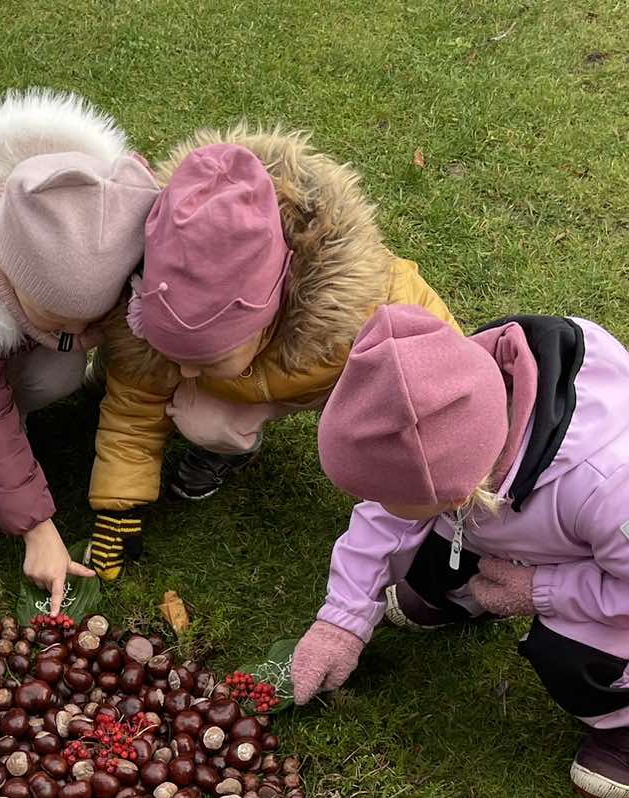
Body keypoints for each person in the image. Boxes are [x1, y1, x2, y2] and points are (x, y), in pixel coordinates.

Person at [295, 307, 629, 798]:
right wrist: (342, 619)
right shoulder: (449, 428)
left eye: (392, 496)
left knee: (573, 655)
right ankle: (460, 597)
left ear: (459, 484)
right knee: (425, 560)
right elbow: (385, 518)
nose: (378, 506)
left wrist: (540, 590)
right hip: (519, 526)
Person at [86, 131, 457, 579]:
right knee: (199, 418)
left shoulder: (368, 304)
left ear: (260, 322)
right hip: (241, 388)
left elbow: (450, 373)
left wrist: (443, 474)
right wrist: (118, 504)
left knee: (382, 431)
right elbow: (133, 409)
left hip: (330, 379)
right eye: (175, 356)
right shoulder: (154, 317)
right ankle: (228, 449)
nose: (183, 370)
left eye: (204, 358)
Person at [0, 89, 159, 613]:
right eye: (63, 321)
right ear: (11, 279)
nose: (81, 332)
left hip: (31, 328)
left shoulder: (110, 219)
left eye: (92, 321)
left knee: (62, 367)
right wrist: (36, 528)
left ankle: (47, 401)